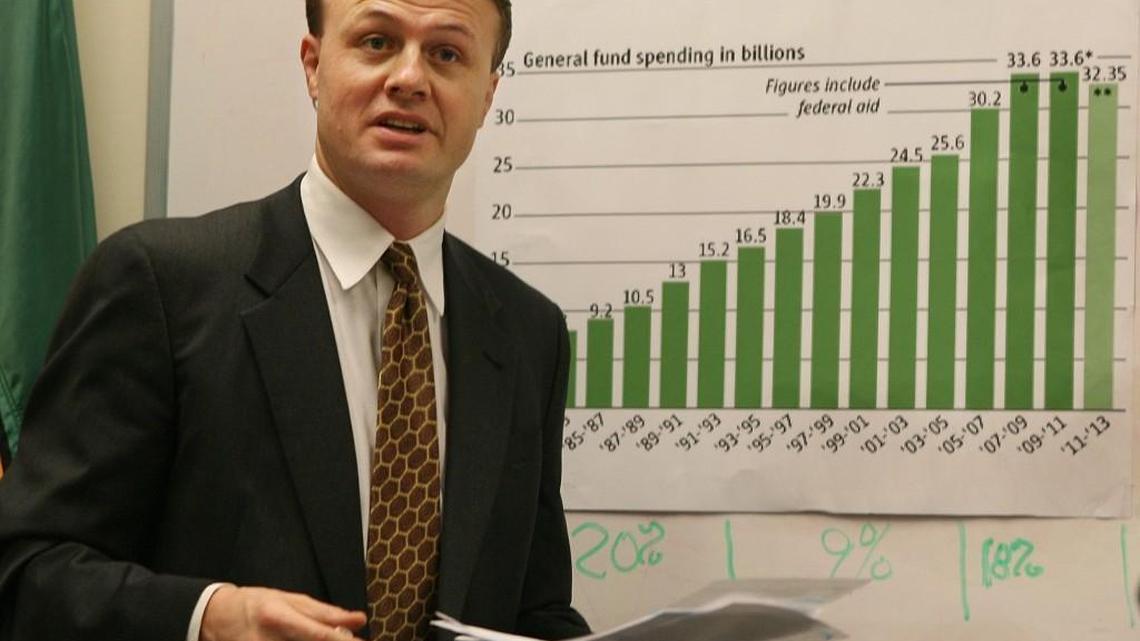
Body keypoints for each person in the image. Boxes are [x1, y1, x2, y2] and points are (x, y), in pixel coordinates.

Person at [0, 1, 590, 640]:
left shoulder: (529, 334)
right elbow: (28, 574)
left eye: (447, 54)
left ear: (488, 94)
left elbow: (534, 609)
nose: (410, 78)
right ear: (314, 66)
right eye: (376, 41)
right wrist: (208, 619)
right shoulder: (159, 284)